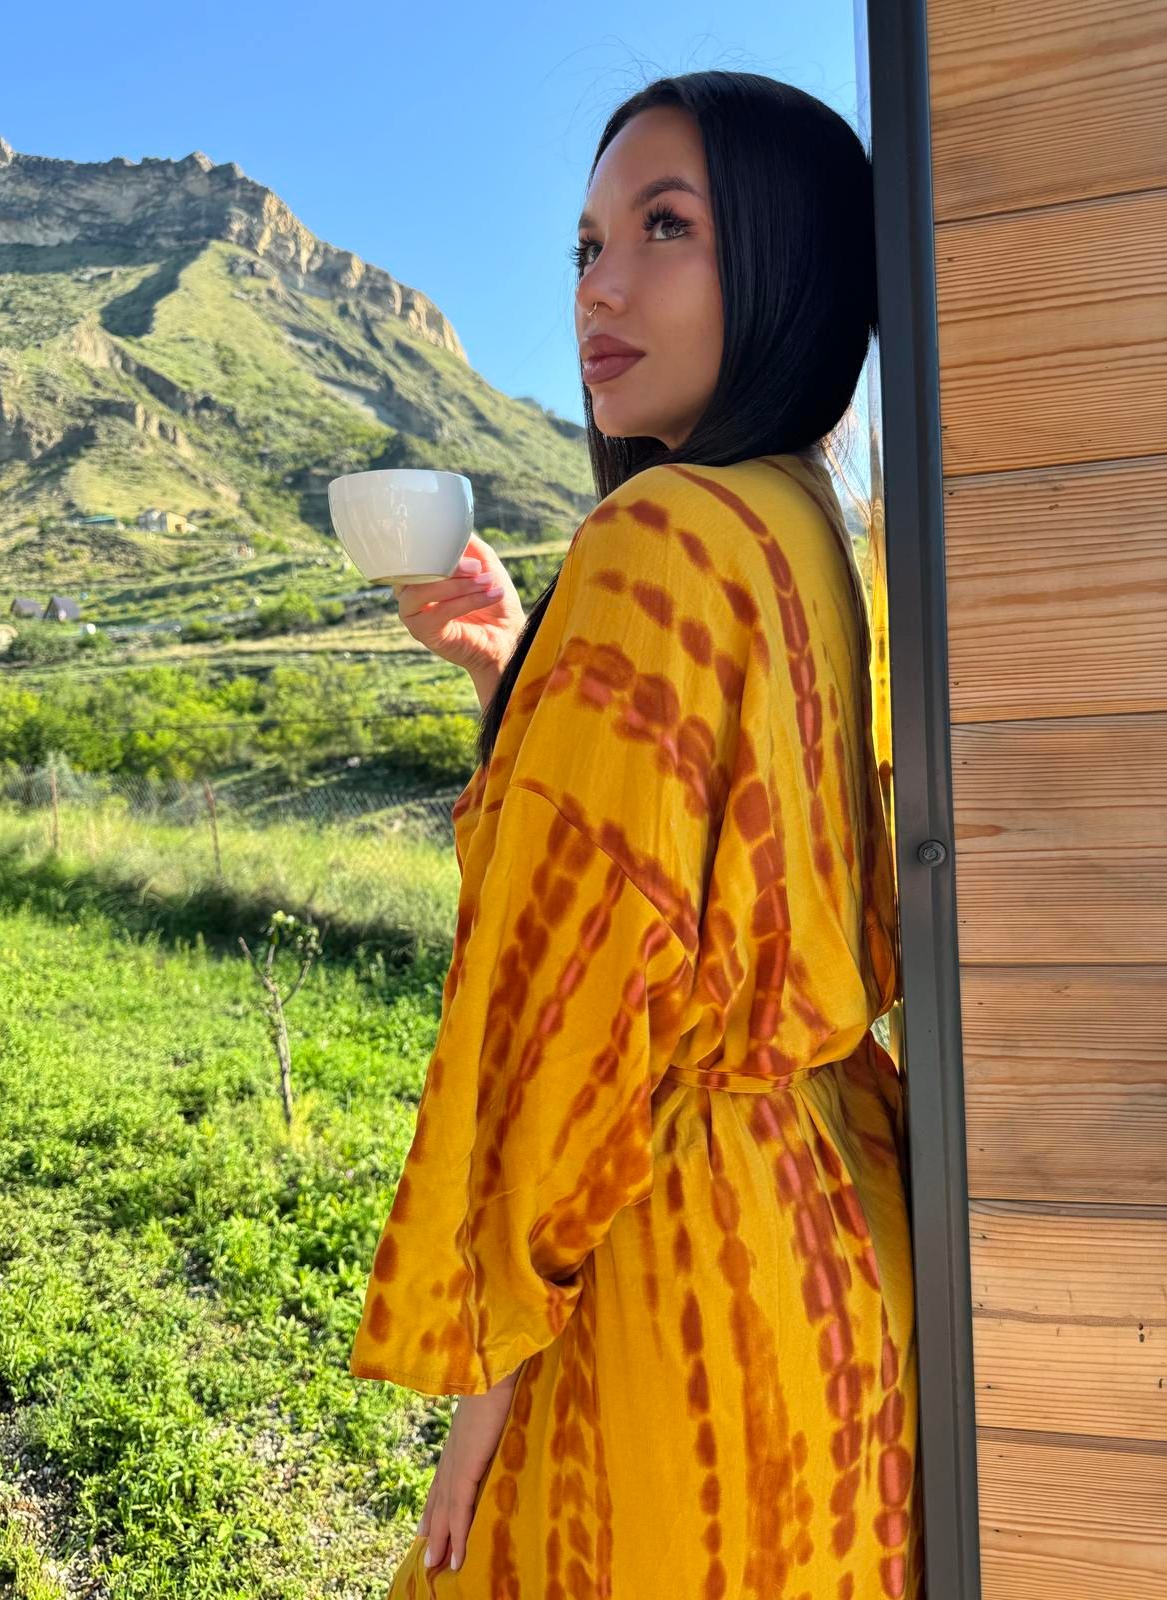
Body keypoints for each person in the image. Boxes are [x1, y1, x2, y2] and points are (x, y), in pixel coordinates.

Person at [350, 68, 925, 1599]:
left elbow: (574, 999)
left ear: (788, 256)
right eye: (587, 245)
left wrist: (488, 1380)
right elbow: (716, 871)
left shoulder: (656, 540)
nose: (599, 287)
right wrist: (510, 667)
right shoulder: (810, 536)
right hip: (833, 1243)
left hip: (671, 1280)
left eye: (665, 226)